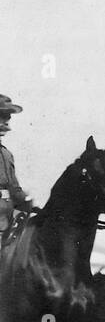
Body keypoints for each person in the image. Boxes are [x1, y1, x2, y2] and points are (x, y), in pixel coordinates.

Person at [0, 94, 36, 241]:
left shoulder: (6, 154)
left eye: (8, 116)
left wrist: (29, 202)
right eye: (3, 115)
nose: (8, 120)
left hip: (6, 216)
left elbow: (14, 188)